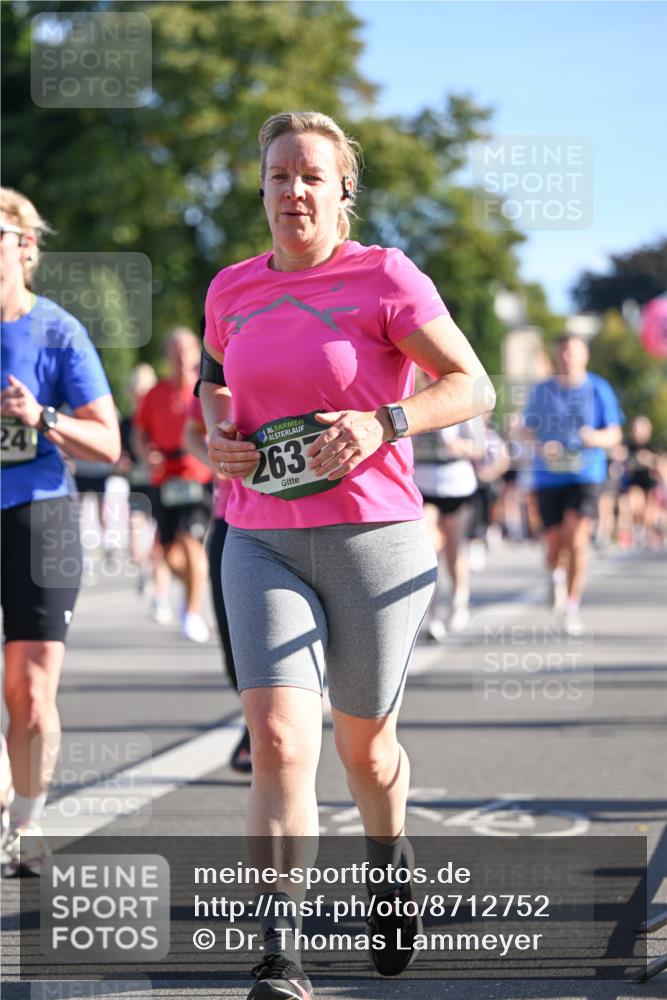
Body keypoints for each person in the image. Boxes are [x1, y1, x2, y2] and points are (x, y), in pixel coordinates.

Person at [198, 111, 495, 1000]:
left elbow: (471, 385)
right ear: (261, 191)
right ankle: (280, 950)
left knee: (365, 752)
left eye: (311, 176)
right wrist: (218, 435)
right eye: (278, 175)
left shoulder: (384, 277)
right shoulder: (230, 290)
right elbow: (215, 387)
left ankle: (386, 855)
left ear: (341, 192)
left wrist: (383, 421)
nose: (293, 191)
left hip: (375, 537)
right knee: (282, 739)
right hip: (257, 536)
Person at [0, 188, 120, 875]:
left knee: (31, 689)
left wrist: (42, 415)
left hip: (39, 514)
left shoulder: (56, 331)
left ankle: (28, 821)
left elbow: (107, 444)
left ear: (25, 246)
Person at [523, 333, 624, 635]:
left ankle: (571, 606)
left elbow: (615, 434)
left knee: (577, 540)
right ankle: (555, 575)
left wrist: (595, 438)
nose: (568, 357)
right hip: (549, 476)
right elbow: (525, 430)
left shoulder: (599, 388)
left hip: (586, 475)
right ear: (557, 355)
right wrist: (542, 447)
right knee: (554, 543)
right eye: (563, 351)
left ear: (585, 356)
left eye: (574, 352)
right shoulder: (541, 391)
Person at [184, 391, 251, 772]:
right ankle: (258, 719)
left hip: (317, 517)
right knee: (234, 647)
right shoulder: (226, 356)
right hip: (233, 517)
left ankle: (269, 729)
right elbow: (193, 431)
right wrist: (214, 451)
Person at [132, 329, 213, 642]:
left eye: (186, 350)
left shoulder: (205, 387)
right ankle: (197, 579)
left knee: (191, 542)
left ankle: (191, 613)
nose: (181, 357)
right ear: (166, 356)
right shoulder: (155, 393)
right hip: (163, 478)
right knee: (167, 552)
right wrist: (145, 454)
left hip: (196, 476)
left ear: (196, 352)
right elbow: (139, 433)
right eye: (174, 351)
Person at [414, 412, 485, 638]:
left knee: (454, 550)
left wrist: (457, 446)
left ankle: (458, 598)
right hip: (423, 486)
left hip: (456, 486)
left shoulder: (462, 405)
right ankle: (433, 615)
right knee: (430, 551)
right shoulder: (415, 402)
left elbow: (480, 448)